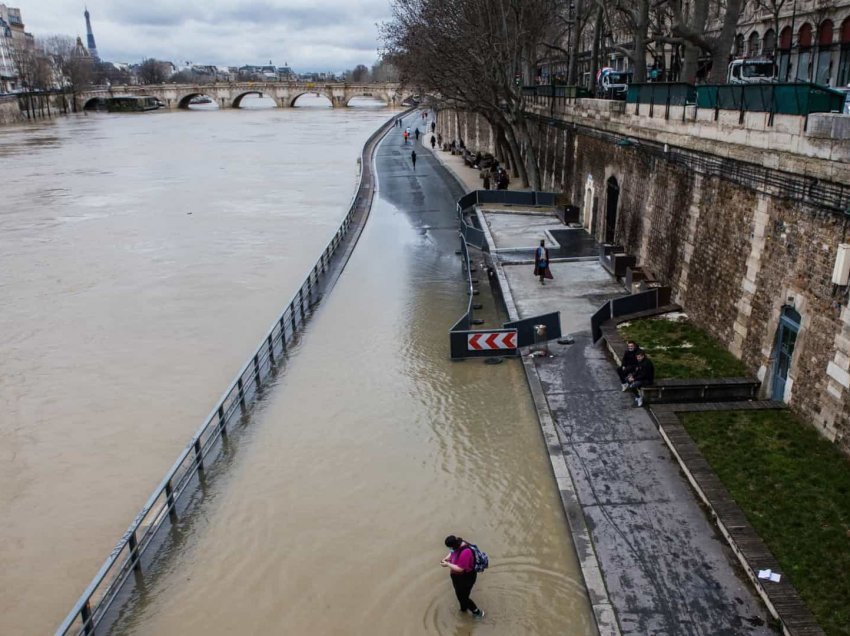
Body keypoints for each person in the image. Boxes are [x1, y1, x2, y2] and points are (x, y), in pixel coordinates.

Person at [441, 535, 484, 618]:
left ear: (454, 545)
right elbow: (452, 552)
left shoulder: (465, 552)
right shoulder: (458, 544)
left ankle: (477, 612)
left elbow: (460, 569)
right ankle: (463, 609)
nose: (450, 549)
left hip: (465, 578)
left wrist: (447, 564)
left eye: (450, 547)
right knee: (460, 595)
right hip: (457, 578)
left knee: (463, 597)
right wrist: (446, 559)